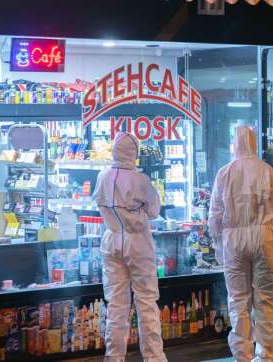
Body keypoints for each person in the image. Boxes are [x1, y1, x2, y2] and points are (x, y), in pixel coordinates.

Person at [208, 125, 273, 362]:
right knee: (265, 299)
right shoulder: (267, 171)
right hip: (264, 237)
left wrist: (217, 242)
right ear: (254, 142)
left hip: (233, 239)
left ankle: (242, 354)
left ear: (235, 143)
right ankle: (266, 355)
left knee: (238, 300)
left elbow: (215, 214)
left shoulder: (224, 172)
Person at [93, 132, 167, 362]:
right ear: (133, 152)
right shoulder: (140, 180)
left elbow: (98, 203)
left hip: (111, 240)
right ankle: (153, 358)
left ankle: (114, 357)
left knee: (116, 304)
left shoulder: (102, 176)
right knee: (146, 301)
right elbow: (154, 210)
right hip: (137, 243)